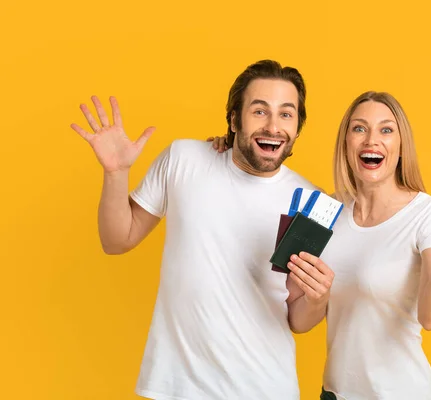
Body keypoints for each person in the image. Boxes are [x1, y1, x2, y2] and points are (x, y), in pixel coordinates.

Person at [70, 59, 335, 400]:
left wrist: (319, 297)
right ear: (234, 119)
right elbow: (116, 239)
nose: (273, 126)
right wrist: (115, 173)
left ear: (298, 126)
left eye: (286, 114)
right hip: (176, 386)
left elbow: (299, 321)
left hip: (265, 388)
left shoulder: (311, 203)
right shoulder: (184, 158)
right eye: (259, 111)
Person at [209, 91, 431, 399]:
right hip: (333, 393)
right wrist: (232, 150)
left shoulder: (427, 213)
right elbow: (299, 321)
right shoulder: (326, 210)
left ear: (401, 147)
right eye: (359, 129)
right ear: (346, 144)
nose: (372, 140)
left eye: (386, 130)